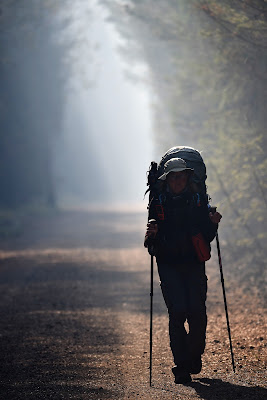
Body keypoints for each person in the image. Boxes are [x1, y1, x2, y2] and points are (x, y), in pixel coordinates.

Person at [144, 157, 222, 384]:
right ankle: (182, 366)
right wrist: (152, 235)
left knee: (197, 312)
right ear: (167, 179)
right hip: (168, 263)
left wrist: (213, 223)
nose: (178, 181)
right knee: (178, 312)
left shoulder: (197, 200)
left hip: (193, 262)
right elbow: (150, 243)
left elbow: (206, 236)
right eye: (174, 176)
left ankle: (193, 356)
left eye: (181, 176)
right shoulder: (158, 201)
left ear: (188, 177)